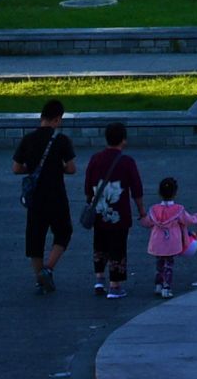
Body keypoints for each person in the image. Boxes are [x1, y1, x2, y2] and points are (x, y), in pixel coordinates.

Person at [12, 95, 77, 296]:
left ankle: (40, 279)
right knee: (63, 231)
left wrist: (32, 169)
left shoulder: (28, 139)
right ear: (57, 119)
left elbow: (16, 168)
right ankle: (48, 269)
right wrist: (58, 168)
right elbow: (72, 168)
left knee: (35, 238)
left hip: (35, 197)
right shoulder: (61, 140)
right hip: (56, 194)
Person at [83, 120, 144, 300]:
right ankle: (115, 286)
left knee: (100, 244)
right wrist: (141, 211)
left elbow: (88, 185)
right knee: (118, 247)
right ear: (123, 140)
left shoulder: (95, 158)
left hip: (99, 211)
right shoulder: (127, 162)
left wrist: (90, 201)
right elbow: (137, 189)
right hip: (119, 214)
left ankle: (99, 279)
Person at [144, 175, 197, 299]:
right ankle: (167, 287)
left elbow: (147, 222)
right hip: (172, 243)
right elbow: (189, 220)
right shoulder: (178, 210)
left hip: (157, 242)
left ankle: (158, 285)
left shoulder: (154, 209)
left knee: (159, 263)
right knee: (168, 265)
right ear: (175, 193)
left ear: (159, 193)